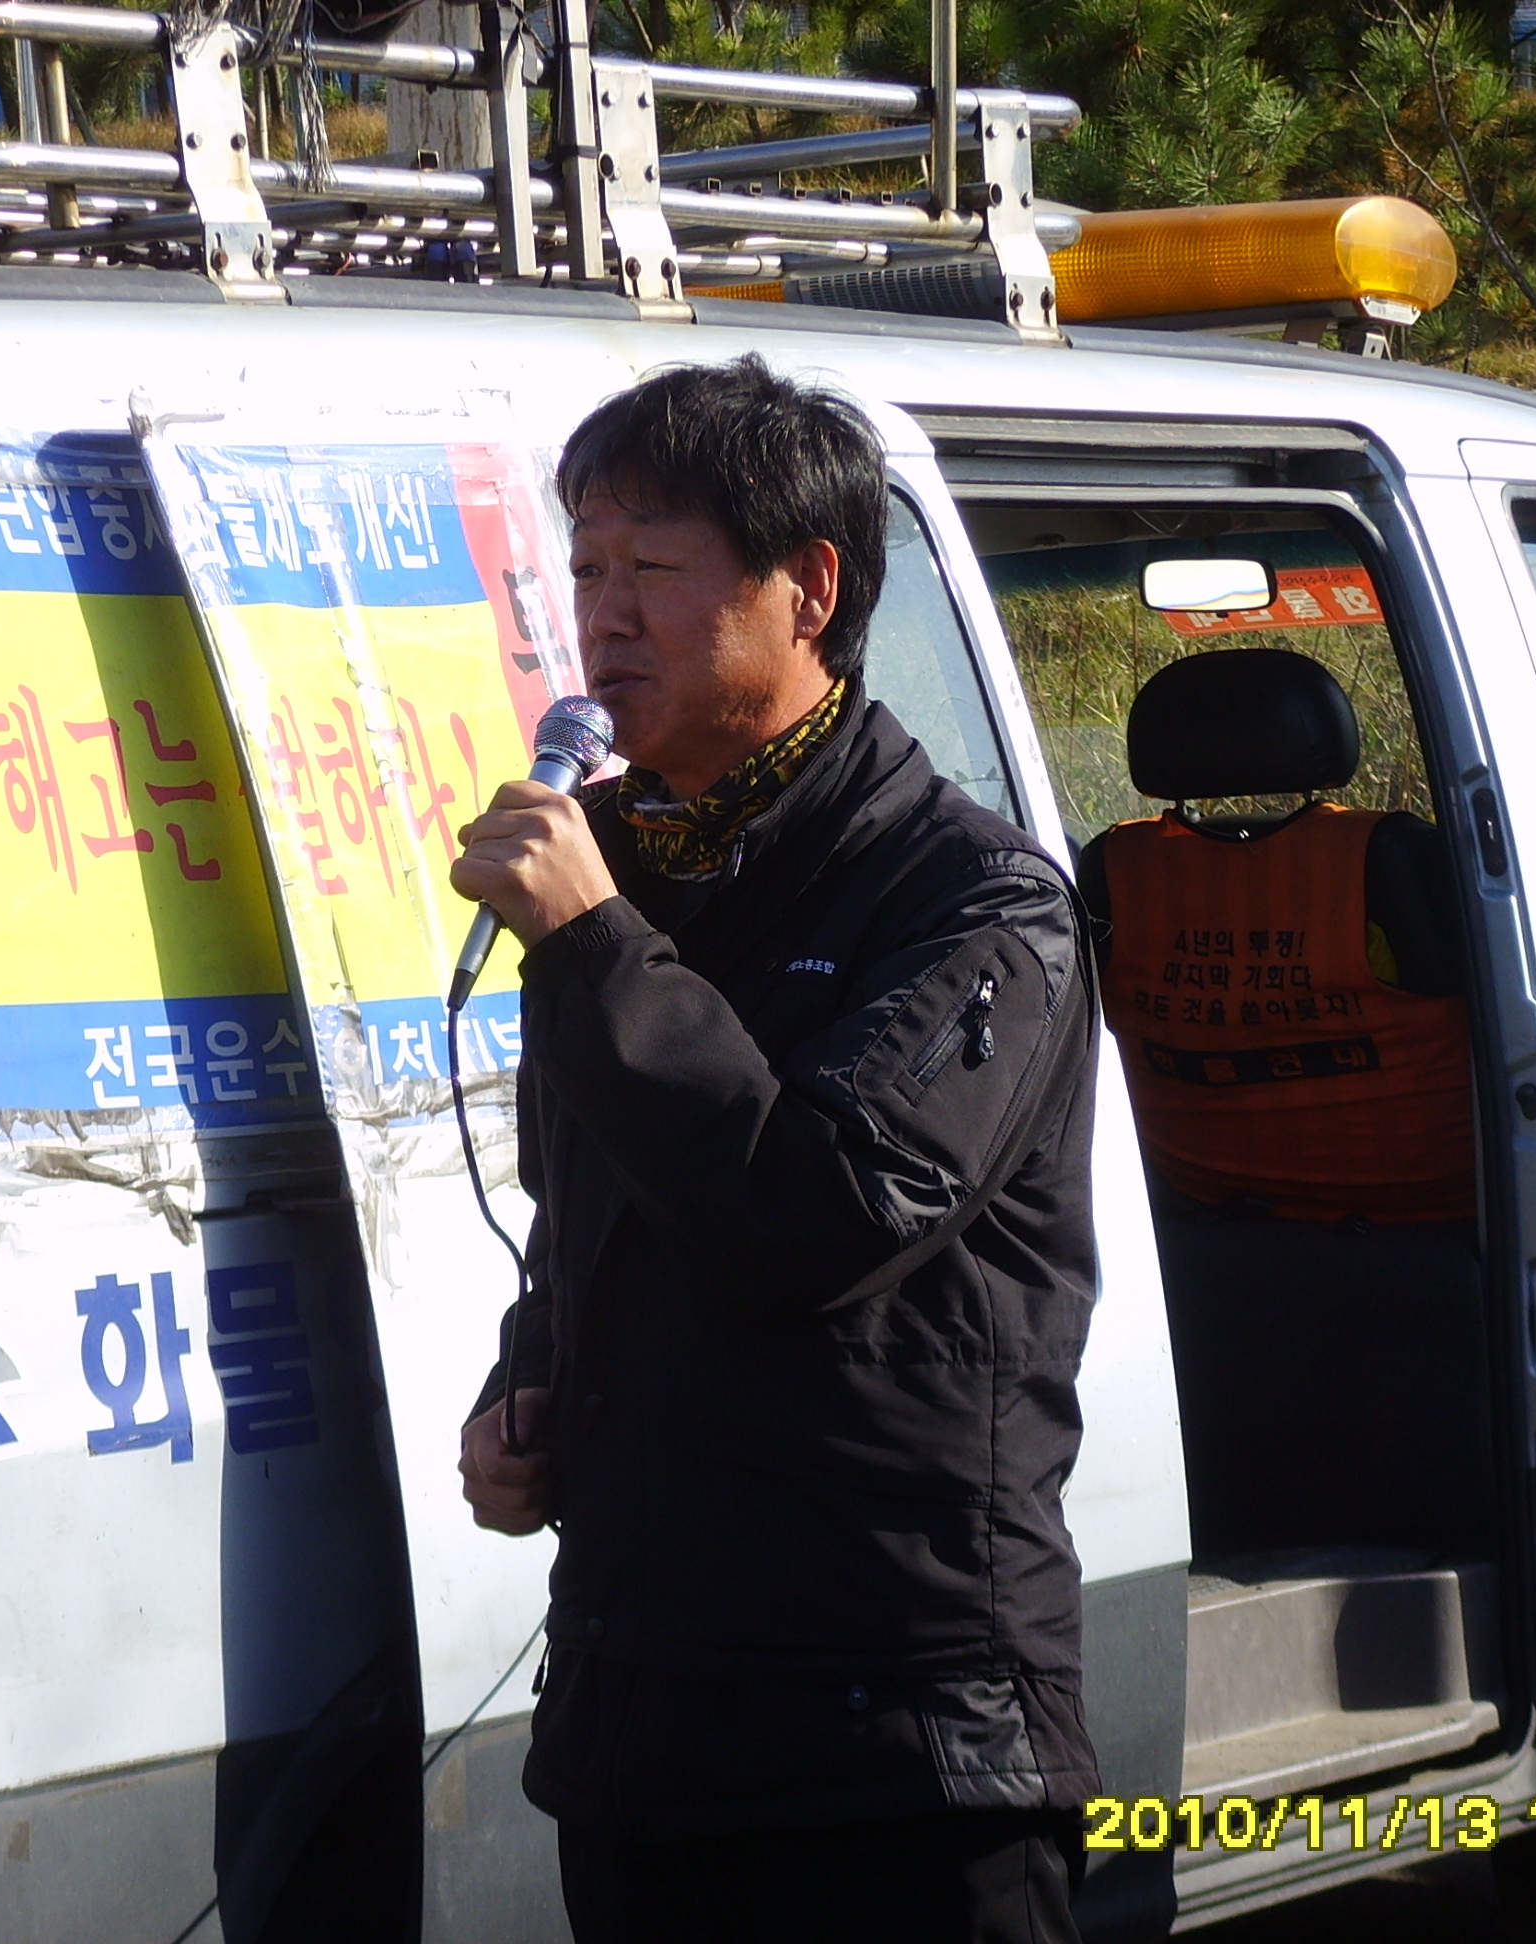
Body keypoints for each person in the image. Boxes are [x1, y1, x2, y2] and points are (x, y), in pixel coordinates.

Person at [448, 353, 1103, 1944]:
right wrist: (525, 1393)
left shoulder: (977, 905)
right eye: (587, 570)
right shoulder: (626, 871)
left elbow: (814, 1215)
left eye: (655, 571)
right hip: (643, 1725)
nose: (606, 617)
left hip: (897, 1747)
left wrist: (598, 944)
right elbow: (590, 1219)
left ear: (809, 589)